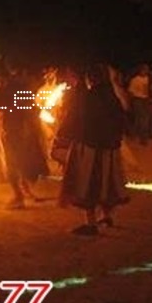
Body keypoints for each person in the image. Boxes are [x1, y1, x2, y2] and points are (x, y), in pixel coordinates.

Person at [59, 64, 130, 236]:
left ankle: (90, 224)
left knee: (87, 184)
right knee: (106, 184)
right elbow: (123, 119)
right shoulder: (113, 98)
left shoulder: (88, 98)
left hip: (89, 147)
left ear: (91, 78)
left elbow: (75, 119)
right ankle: (106, 216)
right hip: (109, 149)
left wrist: (63, 136)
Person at [0, 68, 49, 208]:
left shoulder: (10, 89)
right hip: (23, 130)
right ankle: (24, 191)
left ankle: (18, 196)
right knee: (21, 162)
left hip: (14, 130)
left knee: (13, 163)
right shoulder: (25, 90)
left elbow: (0, 107)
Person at [127, 64, 150, 145]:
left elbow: (147, 90)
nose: (146, 71)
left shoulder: (147, 78)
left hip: (145, 99)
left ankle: (134, 134)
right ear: (141, 70)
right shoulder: (135, 80)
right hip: (137, 99)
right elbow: (130, 92)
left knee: (141, 119)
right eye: (145, 69)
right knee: (142, 119)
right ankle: (143, 138)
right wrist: (131, 102)